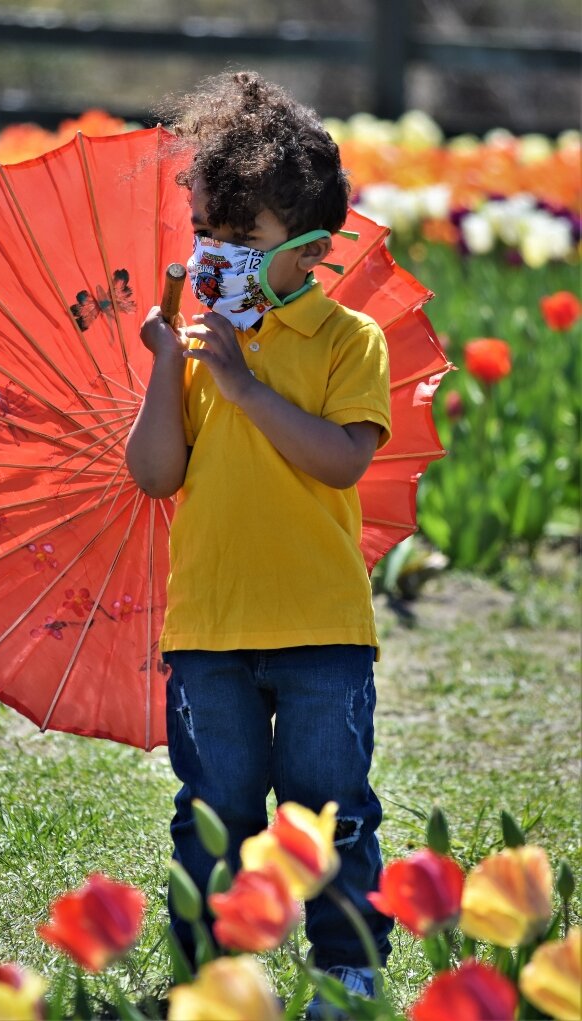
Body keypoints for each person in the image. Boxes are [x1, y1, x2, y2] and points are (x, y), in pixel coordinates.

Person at [125, 71, 394, 1016]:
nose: (218, 257)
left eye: (245, 241)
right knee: (216, 815)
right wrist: (170, 368)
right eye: (207, 234)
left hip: (321, 627)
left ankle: (345, 962)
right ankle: (207, 969)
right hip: (211, 629)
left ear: (311, 247)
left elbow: (338, 460)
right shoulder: (198, 349)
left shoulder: (346, 340)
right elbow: (156, 474)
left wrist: (245, 388)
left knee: (327, 810)